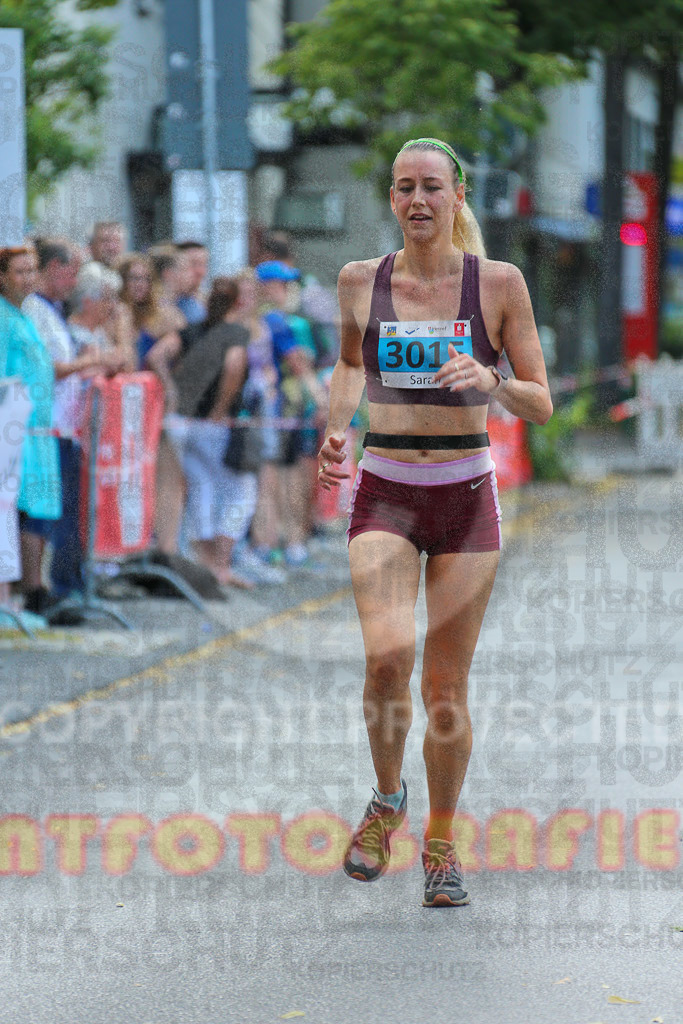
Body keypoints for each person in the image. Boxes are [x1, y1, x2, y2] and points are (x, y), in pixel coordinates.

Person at [317, 138, 552, 907]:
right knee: (387, 660)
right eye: (403, 187)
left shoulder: (499, 284)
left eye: (430, 187)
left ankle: (442, 847)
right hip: (385, 488)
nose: (417, 200)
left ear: (457, 197)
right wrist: (336, 428)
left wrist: (491, 379)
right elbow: (349, 364)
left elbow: (539, 401)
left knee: (445, 688)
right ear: (391, 199)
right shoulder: (359, 280)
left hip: (463, 494)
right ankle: (387, 800)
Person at [146, 277, 253, 586]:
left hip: (183, 421)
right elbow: (234, 365)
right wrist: (220, 408)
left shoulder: (190, 330)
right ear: (237, 303)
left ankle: (205, 564)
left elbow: (155, 356)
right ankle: (219, 564)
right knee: (240, 491)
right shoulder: (235, 333)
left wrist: (169, 388)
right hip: (213, 425)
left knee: (201, 489)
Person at [0, 245, 61, 615]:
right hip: (14, 430)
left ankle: (35, 589)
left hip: (37, 429)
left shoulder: (25, 315)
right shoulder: (3, 318)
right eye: (19, 272)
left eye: (31, 271)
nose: (28, 279)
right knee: (17, 510)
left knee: (36, 507)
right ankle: (25, 591)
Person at [175, 241, 209, 324]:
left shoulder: (207, 303)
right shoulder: (162, 304)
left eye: (204, 264)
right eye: (193, 264)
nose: (200, 271)